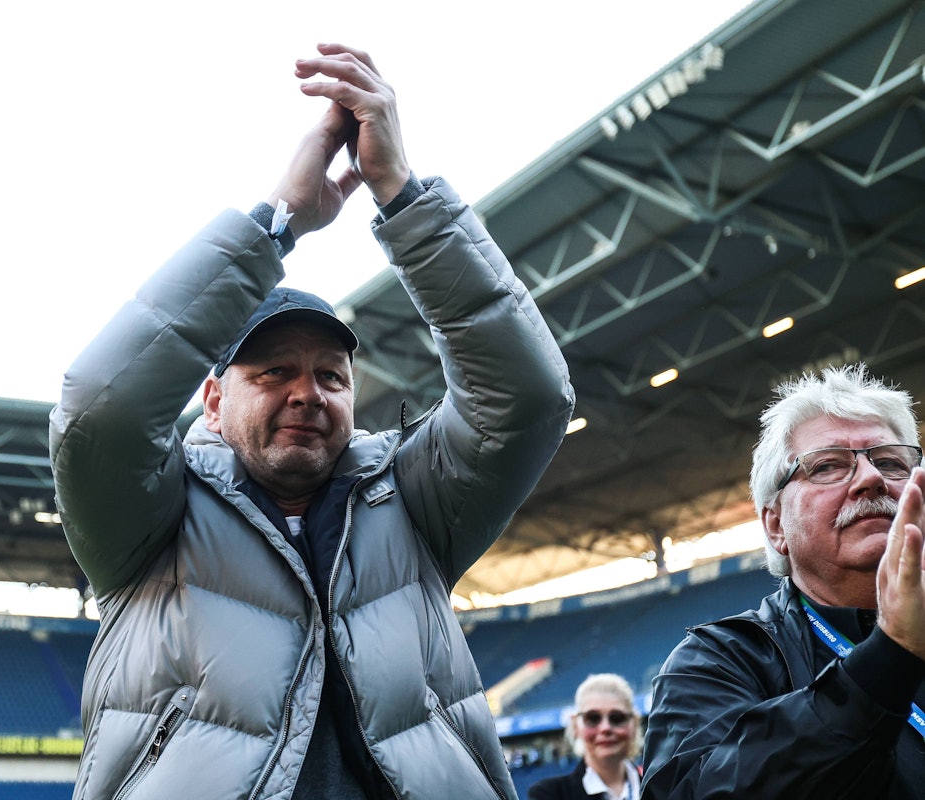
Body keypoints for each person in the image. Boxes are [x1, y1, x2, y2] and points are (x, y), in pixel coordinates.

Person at [49, 43, 574, 800]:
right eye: (272, 373)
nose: (306, 392)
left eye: (330, 375)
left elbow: (527, 398)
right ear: (213, 398)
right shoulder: (145, 519)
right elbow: (101, 406)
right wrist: (275, 223)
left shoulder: (415, 502)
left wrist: (402, 196)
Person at [642, 363, 925, 799]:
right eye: (828, 466)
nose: (871, 479)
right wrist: (890, 657)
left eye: (890, 462)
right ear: (775, 526)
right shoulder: (718, 662)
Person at [528, 674, 642, 800]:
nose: (605, 728)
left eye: (617, 718)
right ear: (575, 726)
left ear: (635, 724)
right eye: (592, 718)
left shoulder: (661, 789)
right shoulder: (548, 794)